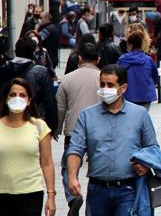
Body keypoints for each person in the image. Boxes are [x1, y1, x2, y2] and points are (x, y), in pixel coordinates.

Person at [66, 64, 158, 215]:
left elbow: (152, 147)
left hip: (128, 190)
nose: (105, 89)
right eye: (102, 84)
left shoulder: (140, 115)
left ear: (123, 88)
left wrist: (146, 165)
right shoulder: (87, 115)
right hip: (97, 191)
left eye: (110, 85)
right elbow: (75, 149)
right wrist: (72, 177)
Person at [0, 78, 56, 216]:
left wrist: (51, 195)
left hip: (31, 195)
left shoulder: (39, 126)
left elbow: (47, 163)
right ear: (6, 98)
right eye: (13, 95)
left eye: (22, 95)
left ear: (29, 100)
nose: (17, 98)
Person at [55, 43, 100, 214]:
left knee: (68, 166)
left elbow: (60, 108)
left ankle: (73, 196)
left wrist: (57, 129)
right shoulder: (103, 78)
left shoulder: (67, 79)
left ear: (79, 58)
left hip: (74, 130)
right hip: (98, 130)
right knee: (98, 167)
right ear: (98, 59)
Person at [0, 37, 57, 133]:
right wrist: (52, 127)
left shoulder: (3, 69)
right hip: (34, 122)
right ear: (33, 52)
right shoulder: (41, 72)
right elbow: (50, 101)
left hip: (7, 121)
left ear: (16, 51)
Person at [117, 32, 159, 111]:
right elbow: (155, 77)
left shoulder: (122, 60)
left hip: (127, 96)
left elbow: (117, 77)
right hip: (145, 95)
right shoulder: (148, 60)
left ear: (131, 45)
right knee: (142, 119)